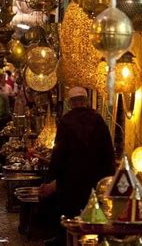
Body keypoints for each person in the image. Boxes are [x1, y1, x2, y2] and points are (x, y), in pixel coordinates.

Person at [39, 86, 116, 245]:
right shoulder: (98, 120)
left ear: (71, 103)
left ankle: (68, 239)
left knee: (71, 214)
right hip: (95, 178)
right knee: (92, 213)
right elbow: (108, 151)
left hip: (71, 179)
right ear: (86, 101)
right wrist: (109, 178)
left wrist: (52, 178)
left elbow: (59, 153)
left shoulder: (66, 121)